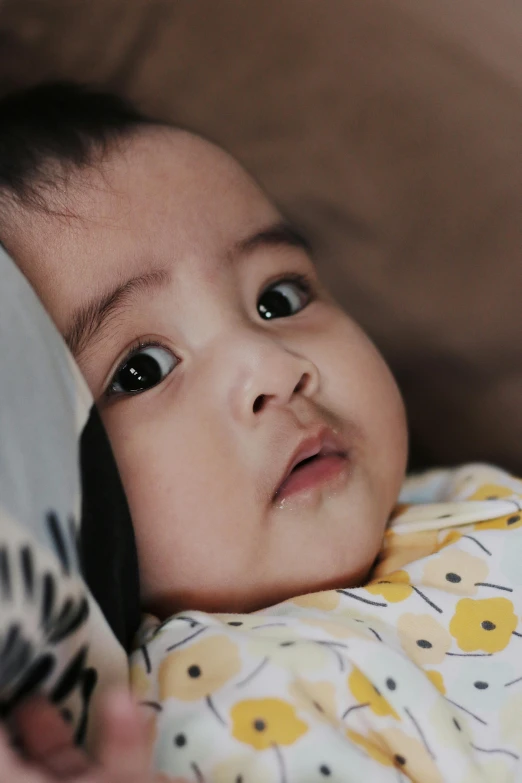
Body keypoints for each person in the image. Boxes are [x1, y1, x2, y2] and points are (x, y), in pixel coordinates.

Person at [0, 83, 521, 782]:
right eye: (142, 369)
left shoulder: (466, 494)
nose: (273, 367)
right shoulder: (208, 699)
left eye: (279, 298)